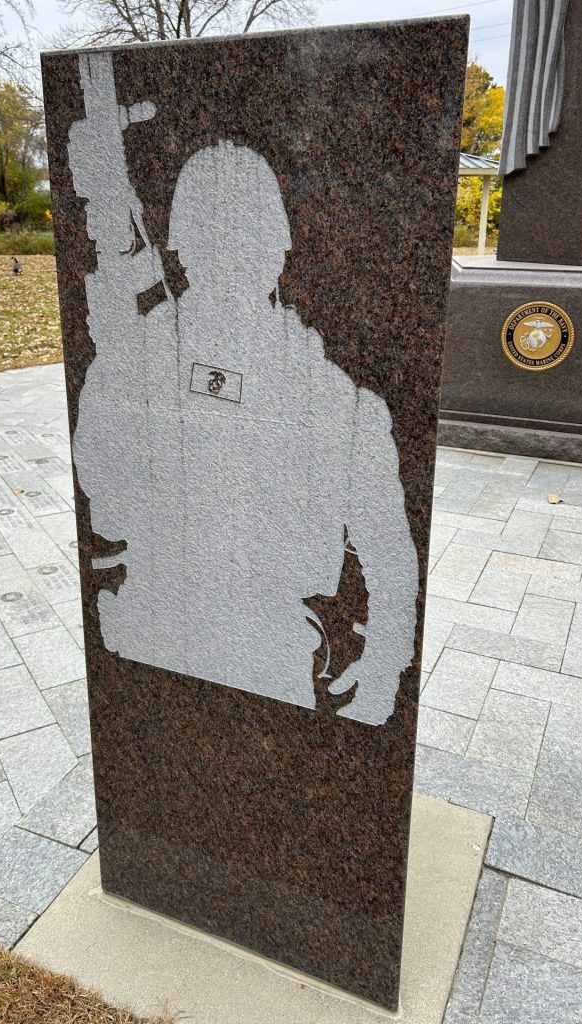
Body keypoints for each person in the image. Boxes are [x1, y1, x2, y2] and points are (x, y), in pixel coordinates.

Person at [74, 139, 418, 727]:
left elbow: (389, 552)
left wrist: (386, 660)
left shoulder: (337, 401)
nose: (228, 262)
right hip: (152, 628)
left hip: (266, 650)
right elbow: (104, 503)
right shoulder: (133, 362)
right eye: (216, 246)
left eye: (238, 245)